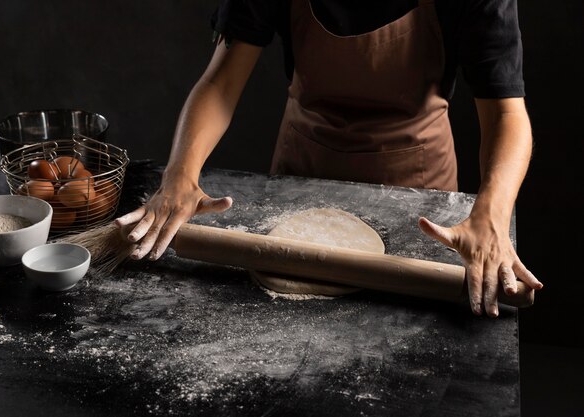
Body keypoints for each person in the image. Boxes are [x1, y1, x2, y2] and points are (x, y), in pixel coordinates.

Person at [115, 0, 543, 317]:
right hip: (302, 171)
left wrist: (492, 213)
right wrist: (181, 173)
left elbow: (507, 113)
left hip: (417, 190)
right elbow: (221, 82)